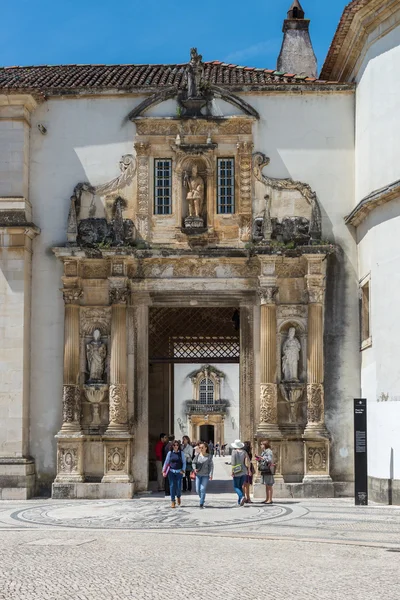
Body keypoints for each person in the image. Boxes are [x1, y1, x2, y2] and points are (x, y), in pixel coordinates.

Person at [163, 440, 186, 508]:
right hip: (171, 471)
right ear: (172, 446)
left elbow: (184, 462)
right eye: (174, 445)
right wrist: (163, 471)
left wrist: (183, 470)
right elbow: (166, 462)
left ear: (179, 446)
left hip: (179, 472)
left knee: (178, 487)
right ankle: (173, 501)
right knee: (172, 486)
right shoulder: (170, 453)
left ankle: (178, 496)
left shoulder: (181, 453)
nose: (176, 446)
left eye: (177, 445)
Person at [192, 442, 214, 508]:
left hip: (205, 475)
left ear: (206, 448)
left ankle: (201, 503)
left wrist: (210, 474)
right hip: (198, 475)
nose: (201, 449)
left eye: (202, 447)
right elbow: (193, 462)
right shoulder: (197, 456)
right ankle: (202, 498)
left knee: (202, 489)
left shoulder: (209, 456)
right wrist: (194, 468)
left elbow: (211, 466)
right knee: (197, 489)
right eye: (200, 447)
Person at [230, 439, 250, 506]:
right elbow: (248, 461)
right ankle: (239, 501)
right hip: (244, 470)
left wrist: (232, 471)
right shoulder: (244, 452)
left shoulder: (234, 452)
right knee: (240, 486)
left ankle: (242, 497)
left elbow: (233, 462)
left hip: (237, 470)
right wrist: (248, 470)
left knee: (236, 486)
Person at [256, 439, 275, 504]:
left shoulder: (269, 451)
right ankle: (267, 498)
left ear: (265, 445)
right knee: (266, 485)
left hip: (268, 469)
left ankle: (270, 499)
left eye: (261, 444)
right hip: (264, 469)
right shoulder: (264, 451)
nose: (260, 446)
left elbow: (269, 460)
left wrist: (262, 458)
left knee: (269, 485)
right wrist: (259, 459)